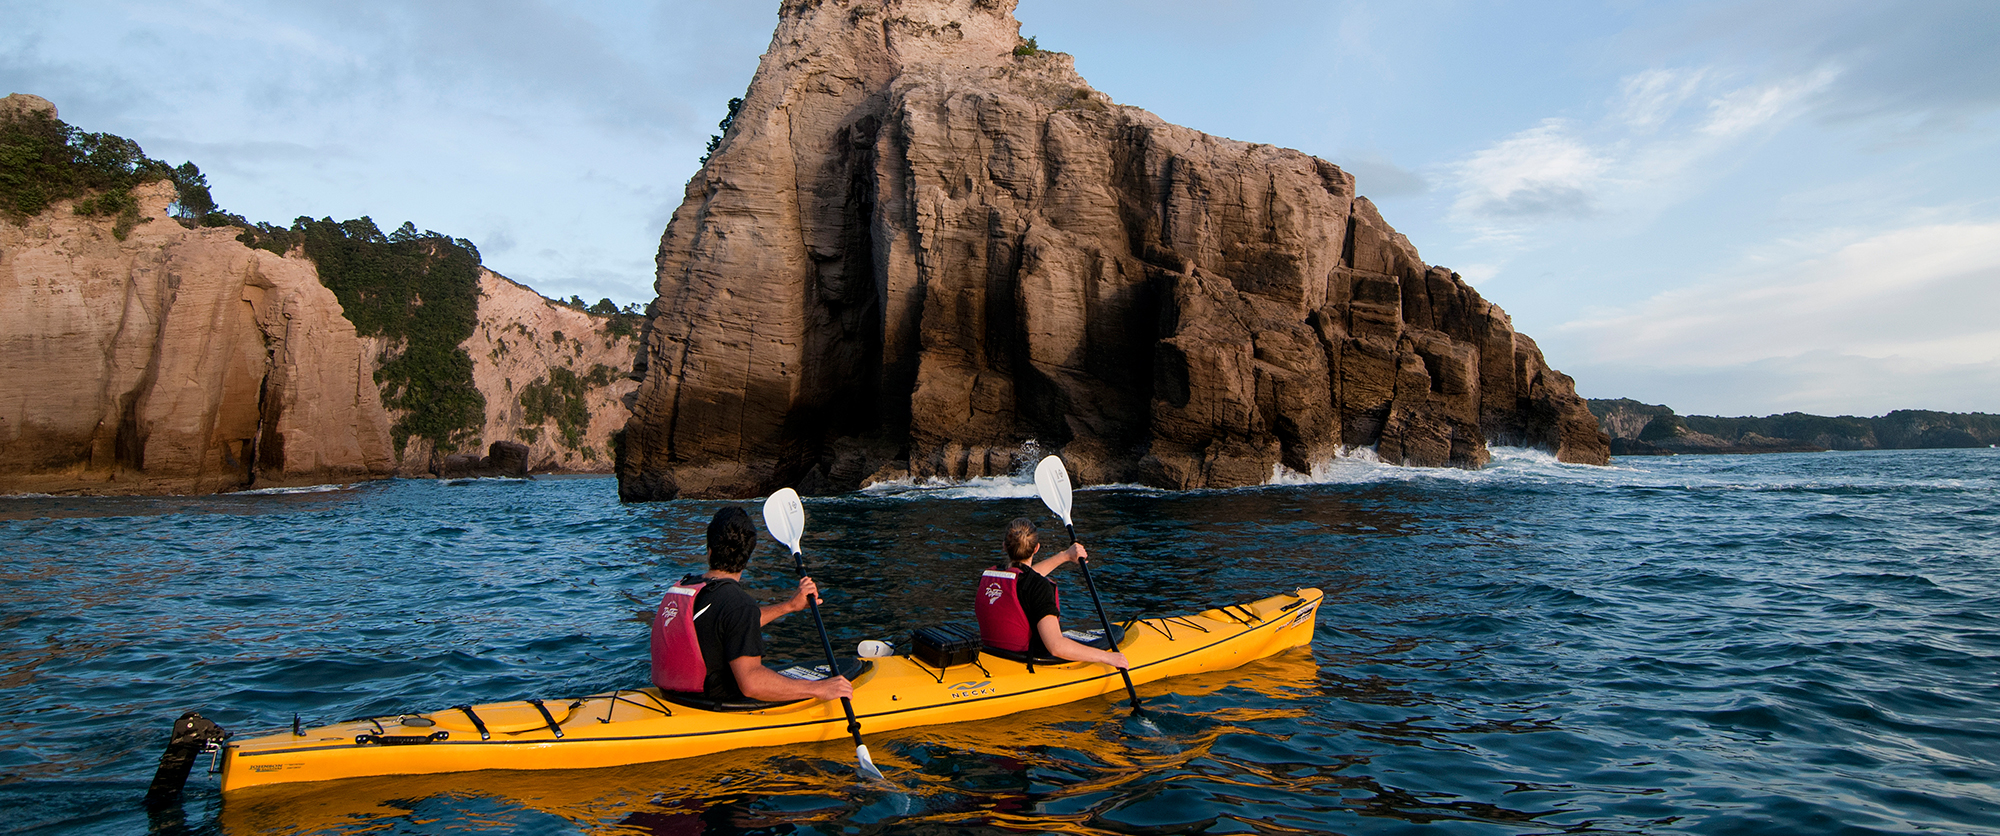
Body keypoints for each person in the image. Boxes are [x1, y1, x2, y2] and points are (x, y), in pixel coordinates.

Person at [651, 507, 853, 703]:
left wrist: (789, 606)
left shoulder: (687, 587)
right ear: (748, 556)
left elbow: (730, 625)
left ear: (709, 550)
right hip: (711, 704)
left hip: (673, 697)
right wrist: (819, 688)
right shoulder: (737, 604)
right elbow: (752, 684)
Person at [974, 517, 1129, 669]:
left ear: (1004, 546)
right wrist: (1108, 657)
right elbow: (1056, 646)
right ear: (1036, 548)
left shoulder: (992, 576)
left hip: (993, 655)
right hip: (1025, 662)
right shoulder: (1039, 588)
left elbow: (1024, 578)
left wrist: (1065, 556)